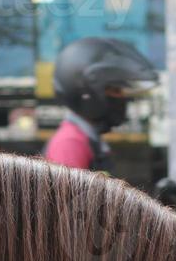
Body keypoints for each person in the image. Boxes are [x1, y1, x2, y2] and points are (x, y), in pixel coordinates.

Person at [43, 37, 157, 172]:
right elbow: (67, 193)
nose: (122, 97)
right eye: (114, 90)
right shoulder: (70, 144)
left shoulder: (88, 138)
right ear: (88, 92)